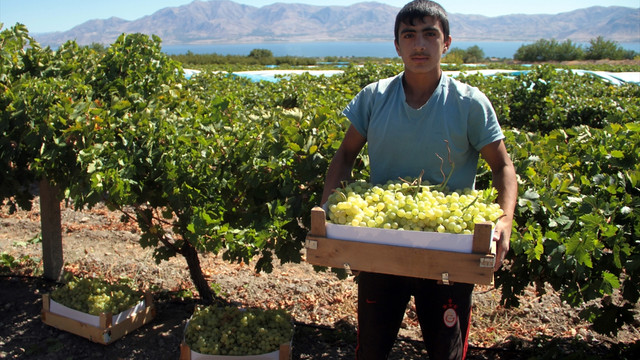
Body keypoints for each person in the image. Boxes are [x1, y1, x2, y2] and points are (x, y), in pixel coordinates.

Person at [320, 1, 518, 359]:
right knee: (372, 350)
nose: (419, 45)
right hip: (381, 248)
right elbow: (345, 154)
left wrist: (505, 220)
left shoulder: (469, 103)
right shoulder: (374, 97)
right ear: (397, 45)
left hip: (449, 251)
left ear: (447, 43)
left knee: (447, 352)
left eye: (430, 35)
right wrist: (326, 208)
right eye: (409, 36)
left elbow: (503, 166)